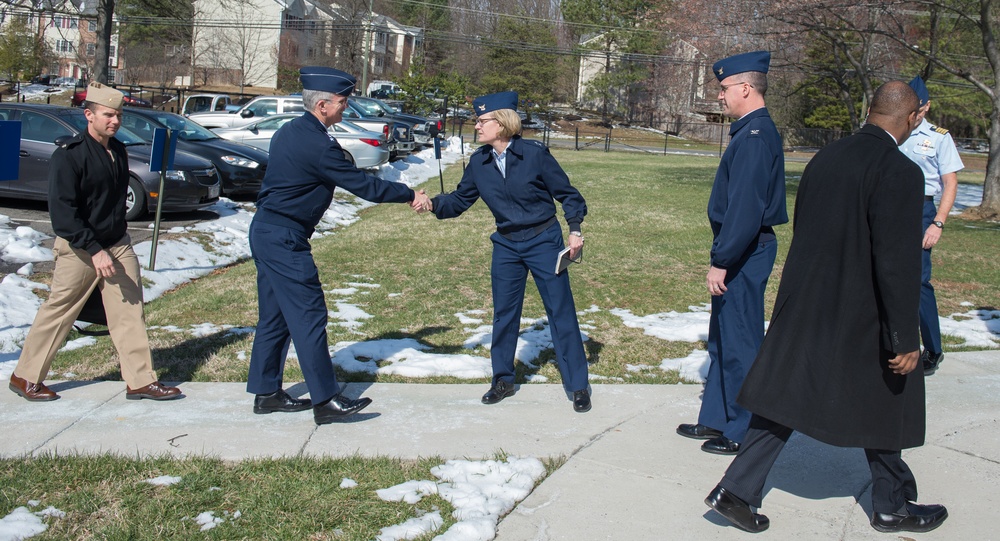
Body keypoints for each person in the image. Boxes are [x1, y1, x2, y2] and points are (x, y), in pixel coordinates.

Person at [704, 81, 948, 534]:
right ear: (913, 118)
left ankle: (735, 491)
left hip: (807, 302)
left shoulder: (826, 157)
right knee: (890, 395)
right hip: (863, 311)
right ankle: (892, 506)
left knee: (785, 397)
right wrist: (904, 336)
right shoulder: (901, 171)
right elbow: (896, 264)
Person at [246, 66, 430, 425]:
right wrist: (409, 194)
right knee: (309, 315)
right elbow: (365, 186)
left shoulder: (291, 131)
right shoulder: (317, 144)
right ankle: (326, 400)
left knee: (276, 316)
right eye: (343, 103)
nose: (346, 108)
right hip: (284, 238)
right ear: (324, 105)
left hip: (267, 231)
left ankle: (266, 393)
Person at [418, 91, 591, 412]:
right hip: (507, 246)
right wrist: (432, 204)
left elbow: (569, 195)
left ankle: (578, 384)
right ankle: (502, 379)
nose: (476, 126)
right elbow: (458, 201)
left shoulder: (535, 155)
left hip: (544, 241)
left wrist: (575, 228)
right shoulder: (479, 163)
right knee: (504, 314)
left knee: (560, 310)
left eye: (482, 121)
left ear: (502, 123)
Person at [8, 82, 182, 402]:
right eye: (107, 115)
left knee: (129, 312)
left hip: (117, 243)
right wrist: (93, 249)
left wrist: (115, 240)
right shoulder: (69, 156)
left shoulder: (117, 150)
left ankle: (140, 381)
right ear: (89, 115)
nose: (114, 121)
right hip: (79, 248)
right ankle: (25, 377)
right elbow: (63, 214)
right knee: (60, 311)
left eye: (118, 115)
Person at [676, 51, 788, 455]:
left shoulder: (757, 136)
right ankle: (719, 418)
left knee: (741, 341)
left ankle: (745, 428)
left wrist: (722, 260)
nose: (719, 96)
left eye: (723, 89)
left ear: (745, 88)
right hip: (740, 246)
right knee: (722, 339)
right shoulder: (747, 131)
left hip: (745, 249)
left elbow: (745, 208)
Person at [899, 76, 965, 375]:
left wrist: (938, 222)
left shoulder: (939, 137)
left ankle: (933, 349)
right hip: (891, 206)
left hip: (922, 210)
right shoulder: (893, 131)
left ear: (926, 106)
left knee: (918, 282)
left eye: (920, 106)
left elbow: (950, 182)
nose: (917, 112)